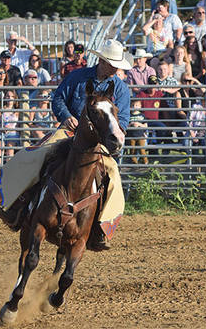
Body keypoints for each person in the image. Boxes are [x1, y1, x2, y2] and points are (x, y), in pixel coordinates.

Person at [49, 39, 131, 250]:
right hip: (68, 132)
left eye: (117, 65)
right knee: (38, 155)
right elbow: (58, 99)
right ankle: (20, 207)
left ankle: (99, 228)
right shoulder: (77, 77)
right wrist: (66, 115)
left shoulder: (121, 89)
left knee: (112, 178)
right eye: (112, 63)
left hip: (100, 141)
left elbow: (122, 121)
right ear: (102, 61)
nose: (115, 68)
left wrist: (113, 136)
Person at [0, 90, 19, 164]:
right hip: (0, 132)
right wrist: (1, 129)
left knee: (10, 151)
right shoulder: (0, 110)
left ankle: (8, 171)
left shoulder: (18, 111)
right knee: (0, 149)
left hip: (12, 133)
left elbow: (19, 126)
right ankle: (0, 169)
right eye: (8, 96)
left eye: (12, 96)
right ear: (5, 97)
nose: (9, 98)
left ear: (15, 98)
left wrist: (11, 129)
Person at [127, 99, 149, 165]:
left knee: (142, 150)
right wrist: (131, 124)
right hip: (131, 136)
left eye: (136, 105)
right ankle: (135, 163)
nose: (134, 107)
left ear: (140, 106)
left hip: (140, 136)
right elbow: (126, 126)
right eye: (133, 105)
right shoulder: (129, 116)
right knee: (132, 151)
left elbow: (145, 126)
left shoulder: (142, 116)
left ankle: (145, 162)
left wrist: (139, 124)